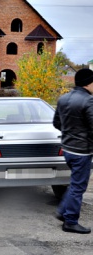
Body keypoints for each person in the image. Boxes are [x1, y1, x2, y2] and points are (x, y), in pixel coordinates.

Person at [53, 68, 93, 234]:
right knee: (78, 186)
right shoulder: (89, 101)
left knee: (75, 183)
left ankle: (63, 211)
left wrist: (70, 133)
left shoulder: (63, 98)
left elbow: (56, 123)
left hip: (68, 148)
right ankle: (70, 221)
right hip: (81, 151)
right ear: (88, 83)